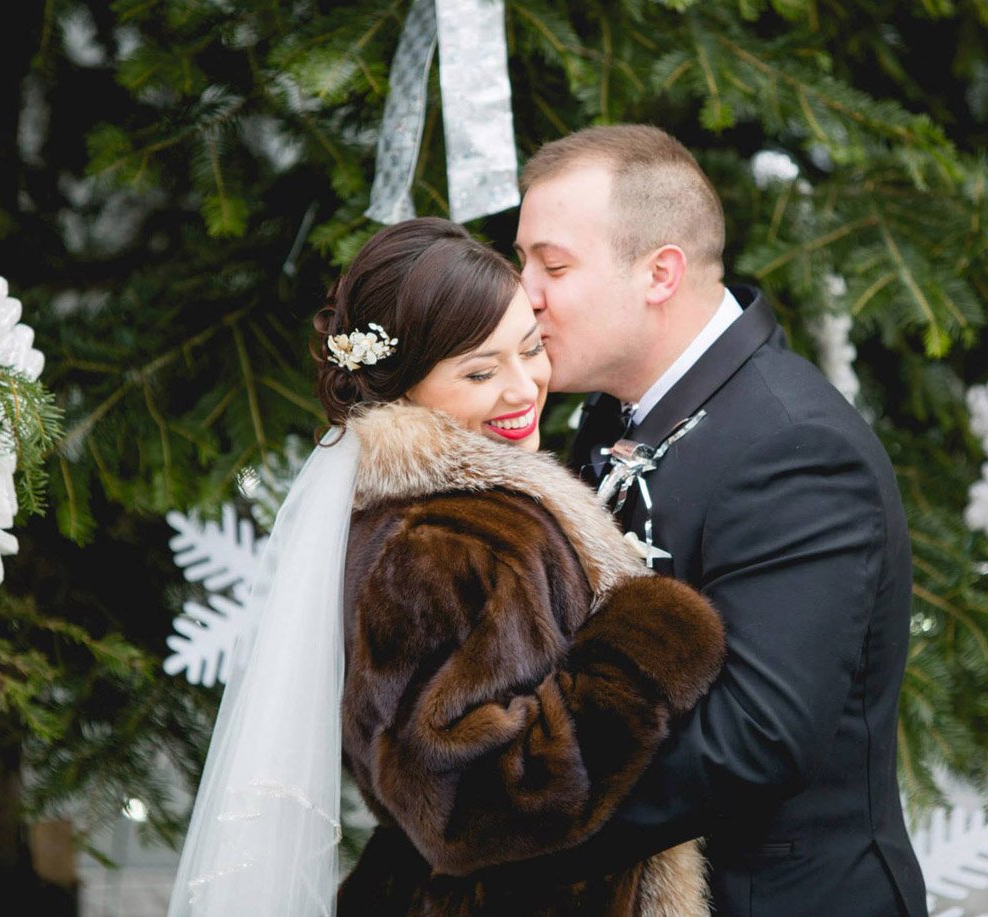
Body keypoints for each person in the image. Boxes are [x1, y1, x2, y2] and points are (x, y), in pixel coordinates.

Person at [166, 216, 725, 917]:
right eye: (480, 371)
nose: (523, 389)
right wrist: (644, 649)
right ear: (406, 386)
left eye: (532, 348)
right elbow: (463, 800)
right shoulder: (434, 544)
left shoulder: (458, 504)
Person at [507, 124, 930, 917]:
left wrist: (514, 821)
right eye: (523, 260)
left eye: (552, 265)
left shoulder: (794, 445)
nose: (523, 292)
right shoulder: (608, 415)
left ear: (660, 273)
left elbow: (758, 738)